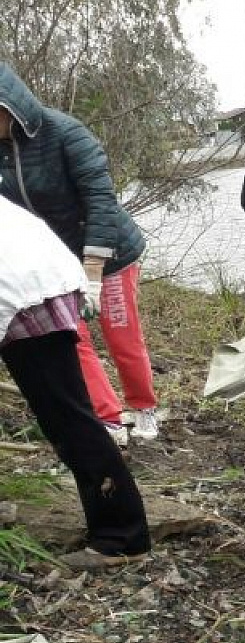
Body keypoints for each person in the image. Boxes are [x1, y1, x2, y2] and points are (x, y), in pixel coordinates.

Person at [0, 62, 160, 446]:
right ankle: (108, 418)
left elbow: (102, 202)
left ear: (9, 107)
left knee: (121, 335)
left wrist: (93, 273)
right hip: (54, 263)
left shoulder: (65, 132)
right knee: (74, 338)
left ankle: (144, 407)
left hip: (110, 253)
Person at [0, 194, 151, 571]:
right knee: (66, 413)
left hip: (24, 290)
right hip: (36, 274)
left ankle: (122, 537)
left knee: (67, 417)